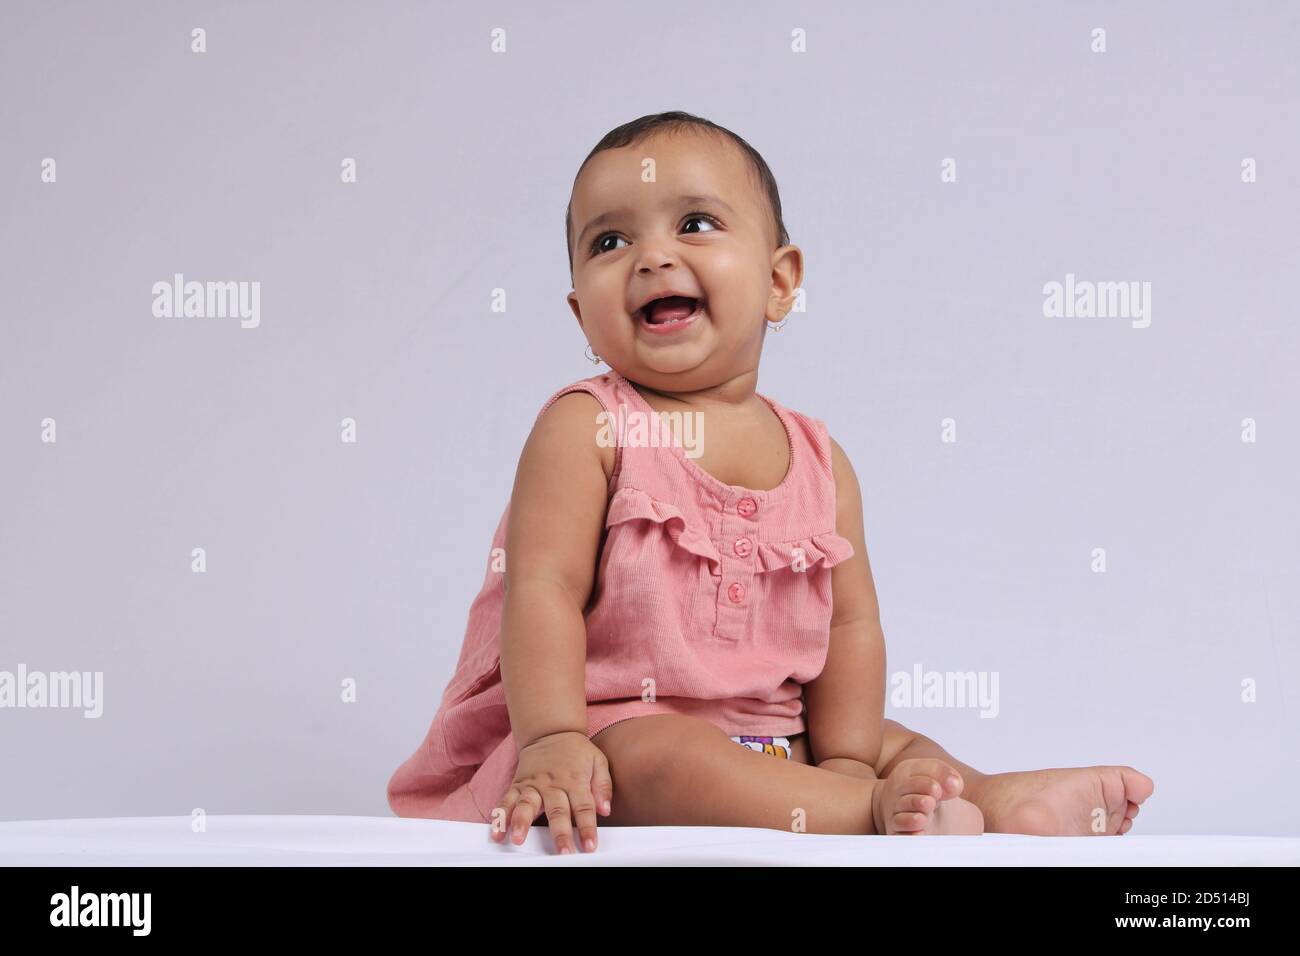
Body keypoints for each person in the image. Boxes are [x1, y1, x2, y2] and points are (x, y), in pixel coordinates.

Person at [387, 111, 1154, 854]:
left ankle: (992, 798)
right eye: (610, 240)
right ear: (582, 314)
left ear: (780, 280)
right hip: (611, 729)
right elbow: (541, 589)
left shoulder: (822, 460)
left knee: (894, 742)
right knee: (668, 759)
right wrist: (552, 738)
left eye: (694, 224)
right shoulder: (587, 427)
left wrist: (849, 756)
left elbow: (852, 630)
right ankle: (865, 815)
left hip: (772, 732)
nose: (652, 256)